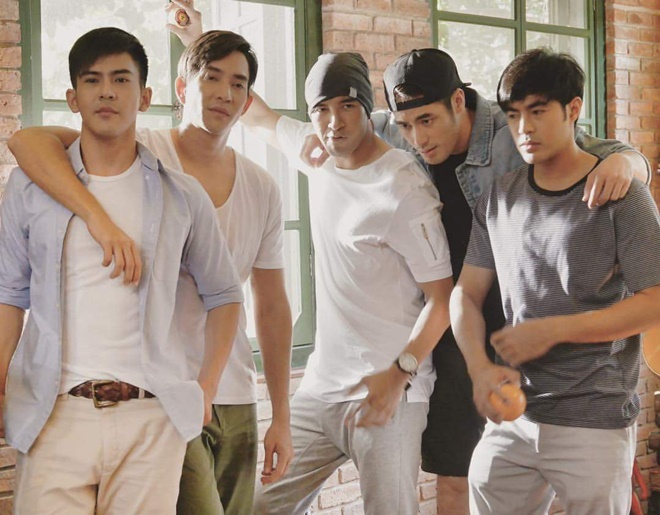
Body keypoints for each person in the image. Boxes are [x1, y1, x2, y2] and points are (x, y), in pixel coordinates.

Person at [301, 47, 650, 515]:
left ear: (458, 101)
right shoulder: (469, 177)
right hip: (476, 348)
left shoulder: (533, 146)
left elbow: (606, 154)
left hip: (570, 377)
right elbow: (346, 122)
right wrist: (321, 129)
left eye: (427, 120)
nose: (417, 137)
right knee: (459, 477)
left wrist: (629, 164)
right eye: (407, 125)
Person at [8, 29, 294, 515]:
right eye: (211, 78)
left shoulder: (219, 189)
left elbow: (248, 299)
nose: (224, 93)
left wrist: (243, 402)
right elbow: (26, 144)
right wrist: (99, 220)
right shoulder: (127, 148)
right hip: (76, 406)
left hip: (187, 399)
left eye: (238, 84)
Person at [240, 52, 454, 515]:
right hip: (321, 390)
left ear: (368, 109)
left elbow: (442, 300)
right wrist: (194, 37)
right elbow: (254, 113)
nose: (333, 122)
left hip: (389, 394)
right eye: (321, 109)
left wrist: (399, 374)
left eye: (347, 106)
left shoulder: (403, 188)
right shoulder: (318, 156)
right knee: (257, 507)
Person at [450, 47, 660, 515]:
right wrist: (478, 368)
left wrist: (555, 330)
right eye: (513, 115)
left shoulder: (622, 195)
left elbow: (655, 300)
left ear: (573, 109)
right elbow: (465, 294)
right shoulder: (499, 198)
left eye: (538, 111)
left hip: (593, 415)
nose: (524, 127)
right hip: (515, 412)